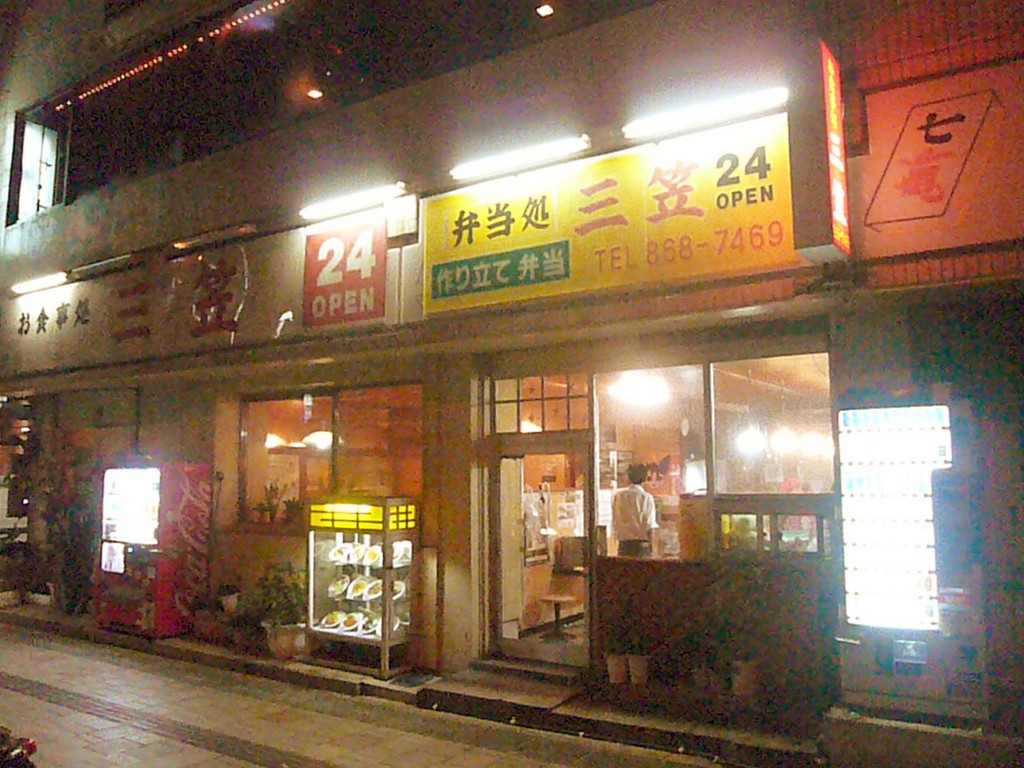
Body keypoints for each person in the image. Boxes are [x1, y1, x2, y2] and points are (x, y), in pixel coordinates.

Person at [612, 463, 658, 558]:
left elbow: (615, 520)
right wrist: (652, 549)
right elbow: (649, 525)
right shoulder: (647, 498)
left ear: (629, 477)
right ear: (645, 479)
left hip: (623, 545)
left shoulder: (618, 496)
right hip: (641, 546)